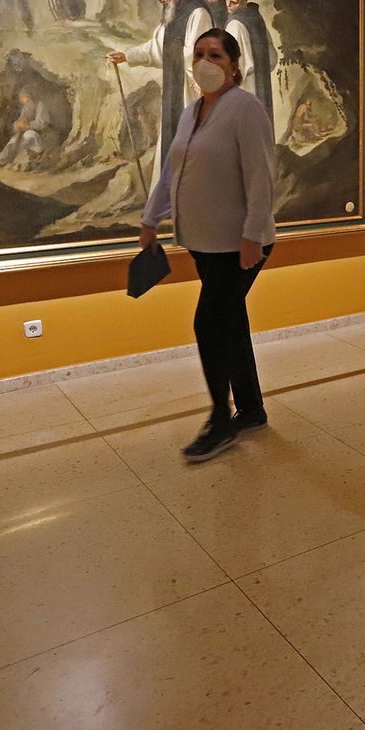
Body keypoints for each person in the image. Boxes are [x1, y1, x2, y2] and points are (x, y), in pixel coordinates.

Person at [139, 28, 278, 463]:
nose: (205, 61)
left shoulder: (245, 108)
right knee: (230, 321)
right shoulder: (191, 111)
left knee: (208, 324)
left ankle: (221, 419)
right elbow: (172, 171)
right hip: (203, 244)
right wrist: (150, 218)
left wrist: (253, 236)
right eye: (199, 53)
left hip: (238, 246)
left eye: (215, 54)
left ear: (233, 64)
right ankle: (251, 410)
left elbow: (262, 177)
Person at [107, 0, 209, 156]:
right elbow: (156, 47)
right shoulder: (172, 13)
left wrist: (202, 82)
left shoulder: (198, 13)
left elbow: (199, 54)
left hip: (191, 90)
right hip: (174, 87)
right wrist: (127, 56)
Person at [225, 0, 278, 128]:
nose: (228, 5)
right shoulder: (257, 20)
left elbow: (234, 68)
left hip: (244, 89)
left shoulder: (235, 25)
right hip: (261, 89)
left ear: (243, 2)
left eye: (233, 2)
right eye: (227, 0)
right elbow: (272, 60)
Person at [0, 90, 50, 168]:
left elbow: (42, 123)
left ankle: (16, 160)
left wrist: (28, 125)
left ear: (31, 98)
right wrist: (17, 125)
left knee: (27, 136)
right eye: (24, 102)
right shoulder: (26, 108)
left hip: (39, 136)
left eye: (27, 101)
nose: (26, 103)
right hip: (26, 132)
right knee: (13, 140)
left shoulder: (40, 105)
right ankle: (0, 160)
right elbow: (21, 120)